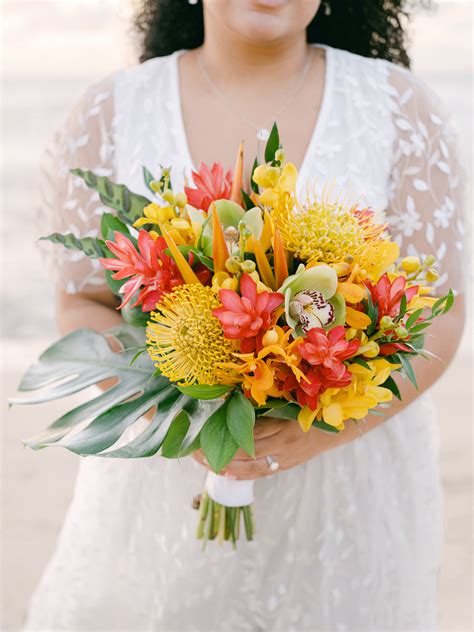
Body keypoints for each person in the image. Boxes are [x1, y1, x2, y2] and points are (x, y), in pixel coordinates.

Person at [26, 1, 465, 630]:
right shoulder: (110, 112)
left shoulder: (400, 107)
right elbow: (82, 302)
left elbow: (439, 314)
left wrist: (317, 432)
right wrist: (173, 412)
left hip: (349, 493)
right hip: (157, 494)